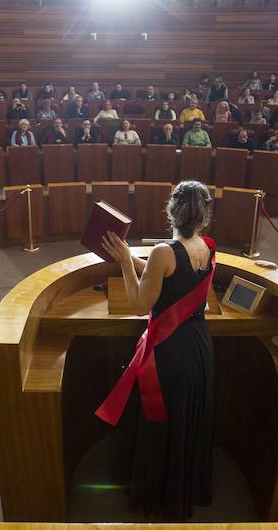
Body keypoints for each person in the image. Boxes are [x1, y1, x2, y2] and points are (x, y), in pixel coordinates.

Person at [96, 180, 215, 521]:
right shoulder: (207, 246)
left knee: (160, 423)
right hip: (198, 347)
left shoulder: (164, 251)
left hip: (169, 353)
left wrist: (121, 261)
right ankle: (182, 488)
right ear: (203, 217)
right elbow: (167, 276)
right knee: (185, 421)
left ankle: (157, 495)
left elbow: (138, 303)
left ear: (170, 212)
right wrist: (131, 257)